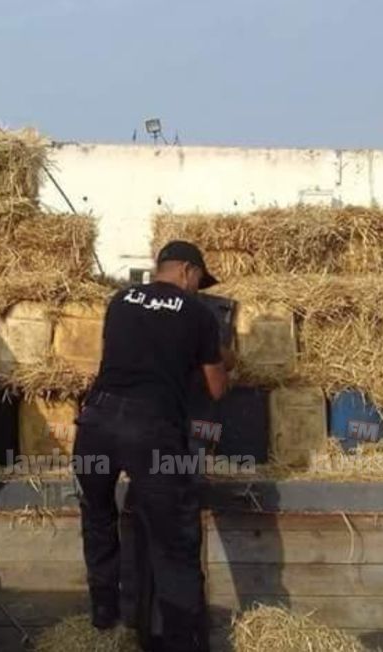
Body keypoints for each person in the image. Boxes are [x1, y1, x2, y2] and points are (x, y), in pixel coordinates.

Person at [72, 240, 229, 652]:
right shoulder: (198, 313)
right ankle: (181, 641)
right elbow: (215, 388)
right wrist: (221, 357)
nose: (198, 289)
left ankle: (104, 617)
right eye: (198, 280)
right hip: (151, 429)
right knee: (174, 540)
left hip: (96, 422)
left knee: (97, 517)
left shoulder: (119, 301)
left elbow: (128, 354)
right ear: (187, 271)